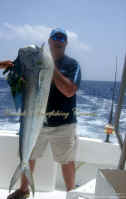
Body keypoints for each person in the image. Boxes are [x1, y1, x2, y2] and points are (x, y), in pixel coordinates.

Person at [7, 28, 81, 199]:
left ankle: (72, 194)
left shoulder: (72, 65)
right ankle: (23, 191)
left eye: (62, 38)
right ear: (49, 41)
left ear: (66, 43)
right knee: (28, 156)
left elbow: (70, 91)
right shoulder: (36, 64)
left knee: (67, 160)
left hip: (64, 123)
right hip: (35, 120)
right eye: (55, 37)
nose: (58, 40)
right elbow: (18, 88)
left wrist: (50, 67)